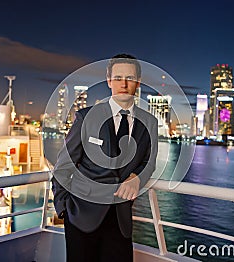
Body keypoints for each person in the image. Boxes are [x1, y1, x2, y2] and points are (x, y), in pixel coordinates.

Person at [52, 54, 158, 262]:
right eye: (118, 78)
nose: (124, 84)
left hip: (120, 219)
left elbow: (149, 162)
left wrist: (137, 178)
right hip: (81, 215)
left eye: (130, 78)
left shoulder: (150, 123)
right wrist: (63, 208)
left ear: (138, 82)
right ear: (109, 81)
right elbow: (64, 166)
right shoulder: (86, 117)